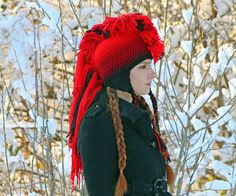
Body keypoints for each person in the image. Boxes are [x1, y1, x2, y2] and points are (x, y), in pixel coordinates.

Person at [68, 13, 175, 196]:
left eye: (149, 65)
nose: (152, 74)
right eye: (143, 66)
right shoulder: (98, 122)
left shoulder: (138, 113)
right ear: (120, 73)